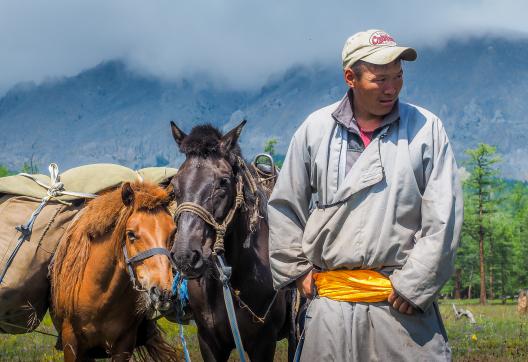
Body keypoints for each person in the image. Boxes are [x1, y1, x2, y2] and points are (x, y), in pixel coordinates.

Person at [267, 29, 463, 361]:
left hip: (400, 307)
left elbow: (444, 216)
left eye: (398, 76)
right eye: (381, 79)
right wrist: (297, 271)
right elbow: (285, 205)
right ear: (350, 78)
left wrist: (415, 284)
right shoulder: (315, 130)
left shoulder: (427, 129)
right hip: (331, 310)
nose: (392, 88)